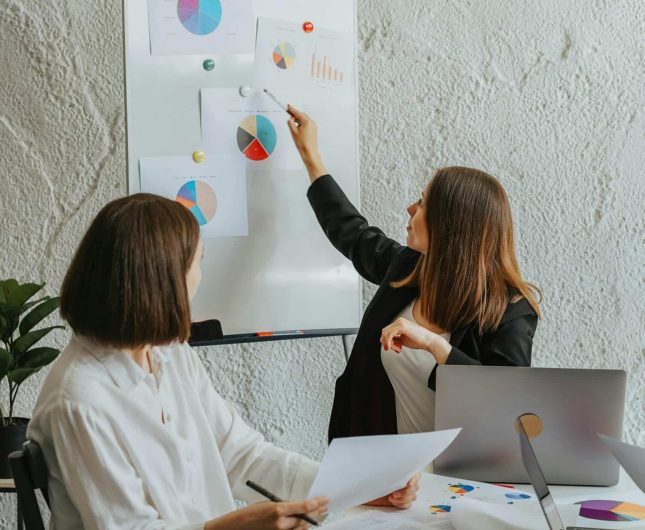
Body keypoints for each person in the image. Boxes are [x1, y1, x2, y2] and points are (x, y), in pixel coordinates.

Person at [27, 194, 419, 530]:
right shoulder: (80, 402)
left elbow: (241, 454)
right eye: (198, 261)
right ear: (163, 281)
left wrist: (358, 485)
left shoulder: (169, 354)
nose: (201, 275)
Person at [287, 106, 542, 441]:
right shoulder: (407, 268)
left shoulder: (510, 309)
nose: (410, 209)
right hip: (379, 473)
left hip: (459, 482)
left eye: (422, 203)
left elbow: (507, 406)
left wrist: (436, 345)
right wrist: (310, 155)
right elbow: (350, 230)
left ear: (450, 226)